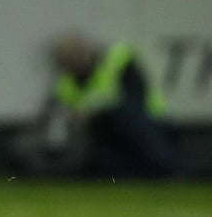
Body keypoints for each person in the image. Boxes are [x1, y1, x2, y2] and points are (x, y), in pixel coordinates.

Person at [22, 30, 183, 178]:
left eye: (75, 54)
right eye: (67, 60)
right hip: (107, 136)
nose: (73, 61)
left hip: (148, 124)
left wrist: (93, 114)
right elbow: (51, 117)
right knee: (102, 163)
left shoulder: (118, 58)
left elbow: (135, 99)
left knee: (129, 120)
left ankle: (174, 169)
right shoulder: (65, 85)